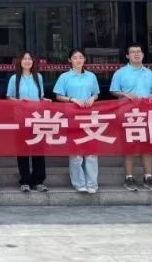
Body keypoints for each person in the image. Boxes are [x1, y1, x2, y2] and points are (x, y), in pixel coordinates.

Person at [110, 42, 152, 192]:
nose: (136, 54)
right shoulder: (120, 73)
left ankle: (148, 177)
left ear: (143, 54)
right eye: (133, 52)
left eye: (139, 51)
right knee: (129, 146)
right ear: (127, 56)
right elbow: (113, 91)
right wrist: (125, 94)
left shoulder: (149, 73)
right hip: (127, 114)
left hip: (146, 114)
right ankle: (129, 177)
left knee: (147, 146)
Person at [53, 48, 100, 194]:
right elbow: (58, 96)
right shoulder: (64, 77)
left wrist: (92, 98)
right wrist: (72, 99)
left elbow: (96, 93)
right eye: (75, 57)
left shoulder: (91, 76)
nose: (78, 60)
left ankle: (92, 183)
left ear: (84, 59)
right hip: (72, 117)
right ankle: (79, 183)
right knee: (76, 152)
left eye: (81, 57)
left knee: (91, 152)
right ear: (70, 60)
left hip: (89, 117)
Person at [6, 51, 49, 193]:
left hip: (37, 118)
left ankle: (38, 180)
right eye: (24, 58)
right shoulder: (14, 78)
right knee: (22, 150)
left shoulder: (38, 77)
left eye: (30, 59)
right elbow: (9, 97)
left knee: (38, 149)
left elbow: (40, 97)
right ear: (19, 61)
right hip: (21, 119)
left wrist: (45, 101)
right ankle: (25, 180)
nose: (27, 61)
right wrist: (20, 102)